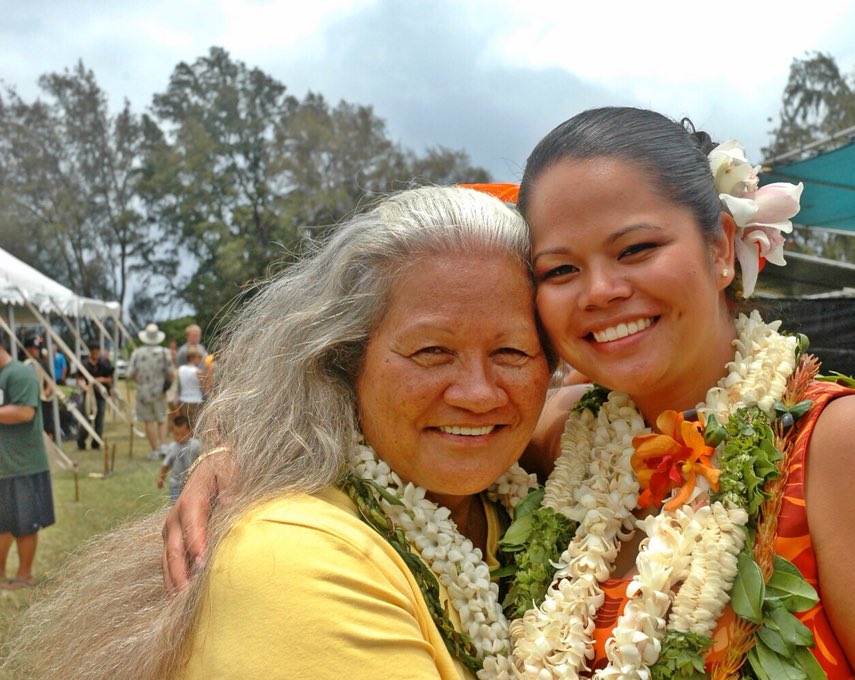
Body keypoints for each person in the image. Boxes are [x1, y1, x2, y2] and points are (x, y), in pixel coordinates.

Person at [169, 108, 855, 678]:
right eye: (560, 269)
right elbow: (403, 417)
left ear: (720, 246)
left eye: (635, 249)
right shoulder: (567, 439)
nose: (599, 291)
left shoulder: (846, 447)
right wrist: (248, 458)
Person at [1, 186, 553, 680]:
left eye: (512, 351)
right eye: (431, 351)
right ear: (342, 360)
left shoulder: (540, 492)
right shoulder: (288, 557)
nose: (478, 392)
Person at [0, 341, 56, 590]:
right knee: (3, 524)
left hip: (22, 464)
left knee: (24, 524)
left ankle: (25, 575)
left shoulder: (20, 373)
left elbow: (24, 412)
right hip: (5, 464)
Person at [128, 323, 176, 459]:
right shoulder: (164, 352)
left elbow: (130, 372)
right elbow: (171, 373)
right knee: (161, 420)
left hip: (143, 392)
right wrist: (166, 385)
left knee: (148, 421)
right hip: (160, 391)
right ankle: (163, 447)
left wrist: (139, 382)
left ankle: (154, 450)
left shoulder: (137, 353)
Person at [76, 342, 114, 450]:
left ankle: (96, 442)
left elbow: (109, 378)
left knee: (99, 420)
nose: (96, 354)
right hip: (88, 396)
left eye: (97, 352)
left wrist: (101, 380)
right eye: (94, 352)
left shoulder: (104, 363)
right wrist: (86, 388)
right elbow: (80, 380)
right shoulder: (84, 364)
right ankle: (81, 442)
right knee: (86, 419)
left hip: (101, 396)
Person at [157, 414, 202, 503]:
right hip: (176, 485)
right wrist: (161, 478)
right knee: (175, 506)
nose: (179, 437)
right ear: (172, 432)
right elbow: (166, 465)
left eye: (183, 434)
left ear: (190, 432)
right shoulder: (172, 447)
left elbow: (203, 460)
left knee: (191, 504)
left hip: (193, 483)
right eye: (176, 434)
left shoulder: (196, 445)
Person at [23, 337, 55, 439]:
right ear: (28, 349)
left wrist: (45, 392)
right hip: (29, 401)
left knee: (47, 426)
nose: (37, 351)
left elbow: (50, 381)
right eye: (35, 348)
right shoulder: (22, 364)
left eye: (38, 348)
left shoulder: (42, 363)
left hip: (43, 401)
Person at [175, 346, 205, 428]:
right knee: (196, 427)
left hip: (183, 401)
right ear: (192, 358)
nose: (200, 360)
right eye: (199, 357)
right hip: (196, 401)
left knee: (186, 427)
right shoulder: (198, 372)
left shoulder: (180, 369)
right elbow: (203, 387)